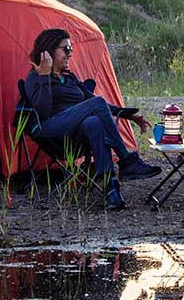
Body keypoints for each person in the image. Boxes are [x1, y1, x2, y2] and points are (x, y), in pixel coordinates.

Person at [24, 28, 161, 210]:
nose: (70, 54)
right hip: (50, 131)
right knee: (96, 104)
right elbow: (43, 111)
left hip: (77, 137)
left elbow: (95, 103)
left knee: (94, 122)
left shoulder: (70, 78)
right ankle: (127, 161)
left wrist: (127, 115)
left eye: (71, 49)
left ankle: (111, 189)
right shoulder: (34, 77)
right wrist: (44, 77)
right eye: (66, 49)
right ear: (49, 50)